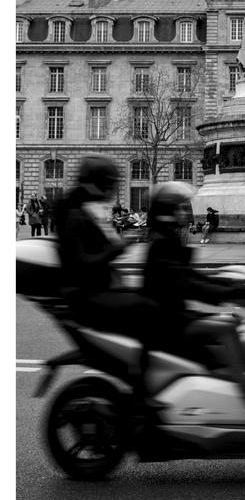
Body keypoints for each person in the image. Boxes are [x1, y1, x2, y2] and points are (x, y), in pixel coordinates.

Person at [54, 155, 160, 402]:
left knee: (149, 300)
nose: (112, 190)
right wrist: (119, 247)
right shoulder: (74, 217)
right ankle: (144, 385)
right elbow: (82, 264)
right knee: (149, 308)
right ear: (96, 184)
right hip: (86, 296)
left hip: (95, 289)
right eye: (109, 184)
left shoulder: (82, 211)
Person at [141, 183, 245, 402]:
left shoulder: (169, 240)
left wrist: (234, 285)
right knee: (226, 328)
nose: (185, 212)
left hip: (173, 316)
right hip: (166, 322)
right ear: (167, 212)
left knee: (235, 322)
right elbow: (187, 283)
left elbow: (194, 277)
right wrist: (229, 293)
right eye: (180, 208)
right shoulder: (163, 244)